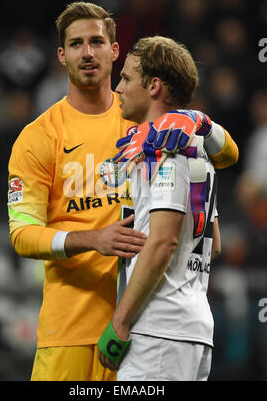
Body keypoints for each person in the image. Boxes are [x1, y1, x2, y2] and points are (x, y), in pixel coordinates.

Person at [8, 2, 238, 381]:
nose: (87, 53)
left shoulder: (144, 114)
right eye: (76, 44)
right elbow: (21, 234)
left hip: (140, 323)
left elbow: (227, 154)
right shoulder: (37, 138)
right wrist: (92, 238)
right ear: (61, 55)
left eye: (97, 41)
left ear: (115, 51)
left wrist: (197, 119)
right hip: (70, 329)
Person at [98, 36, 226, 381]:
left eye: (125, 78)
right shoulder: (196, 150)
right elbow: (213, 244)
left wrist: (120, 321)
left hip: (158, 334)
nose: (118, 88)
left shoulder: (164, 151)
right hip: (192, 328)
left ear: (154, 86)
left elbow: (164, 242)